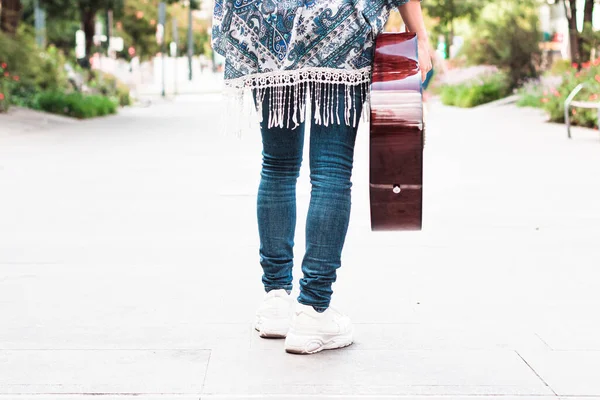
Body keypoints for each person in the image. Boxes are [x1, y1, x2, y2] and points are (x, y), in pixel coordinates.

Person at [212, 0, 431, 355]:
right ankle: (313, 310)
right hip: (339, 26)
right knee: (331, 169)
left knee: (278, 164)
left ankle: (277, 301)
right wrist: (420, 36)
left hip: (267, 24)